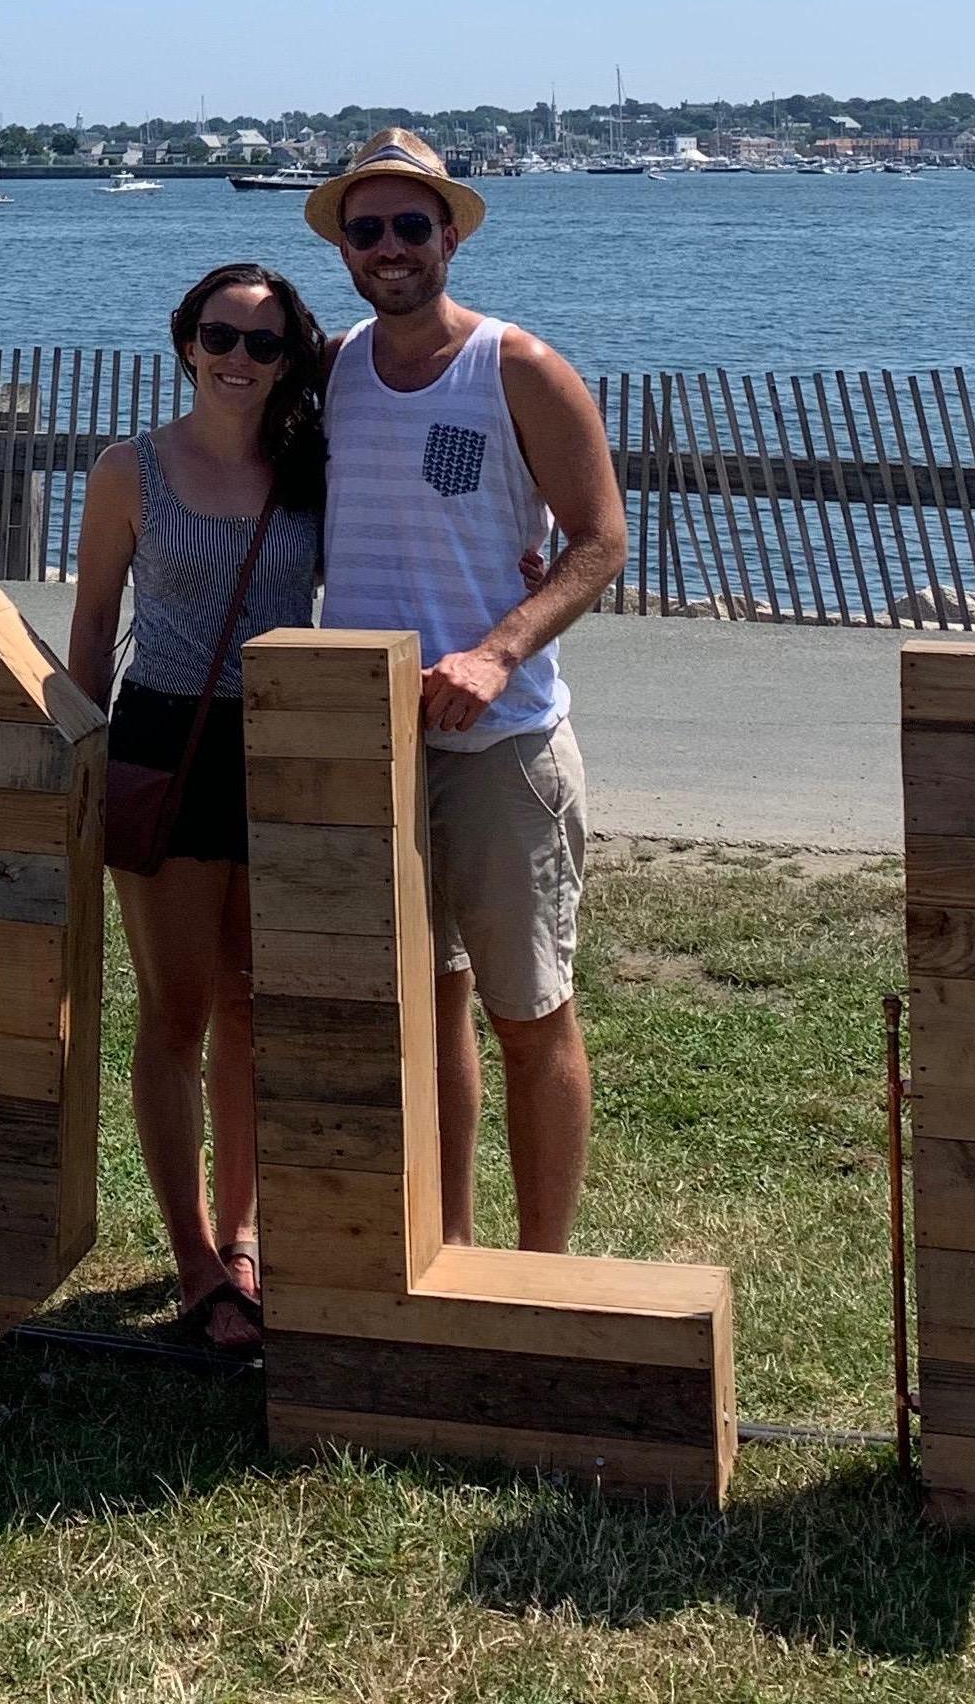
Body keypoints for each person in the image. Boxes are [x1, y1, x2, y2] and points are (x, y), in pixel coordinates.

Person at [304, 129, 628, 1254]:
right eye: (366, 230)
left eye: (409, 226)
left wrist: (498, 650)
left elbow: (599, 542)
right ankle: (443, 1247)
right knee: (425, 1006)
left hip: (500, 747)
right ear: (344, 249)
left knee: (529, 1014)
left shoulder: (519, 368)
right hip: (373, 745)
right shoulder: (336, 368)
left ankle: (541, 1276)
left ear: (449, 235)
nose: (389, 248)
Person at [67, 264, 328, 1351]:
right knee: (179, 1014)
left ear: (290, 361)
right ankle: (194, 1263)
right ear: (185, 343)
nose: (240, 359)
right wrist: (80, 763)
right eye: (222, 336)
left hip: (275, 741)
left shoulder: (313, 468)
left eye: (265, 345)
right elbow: (90, 624)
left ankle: (248, 1232)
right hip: (164, 742)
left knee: (255, 1006)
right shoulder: (132, 470)